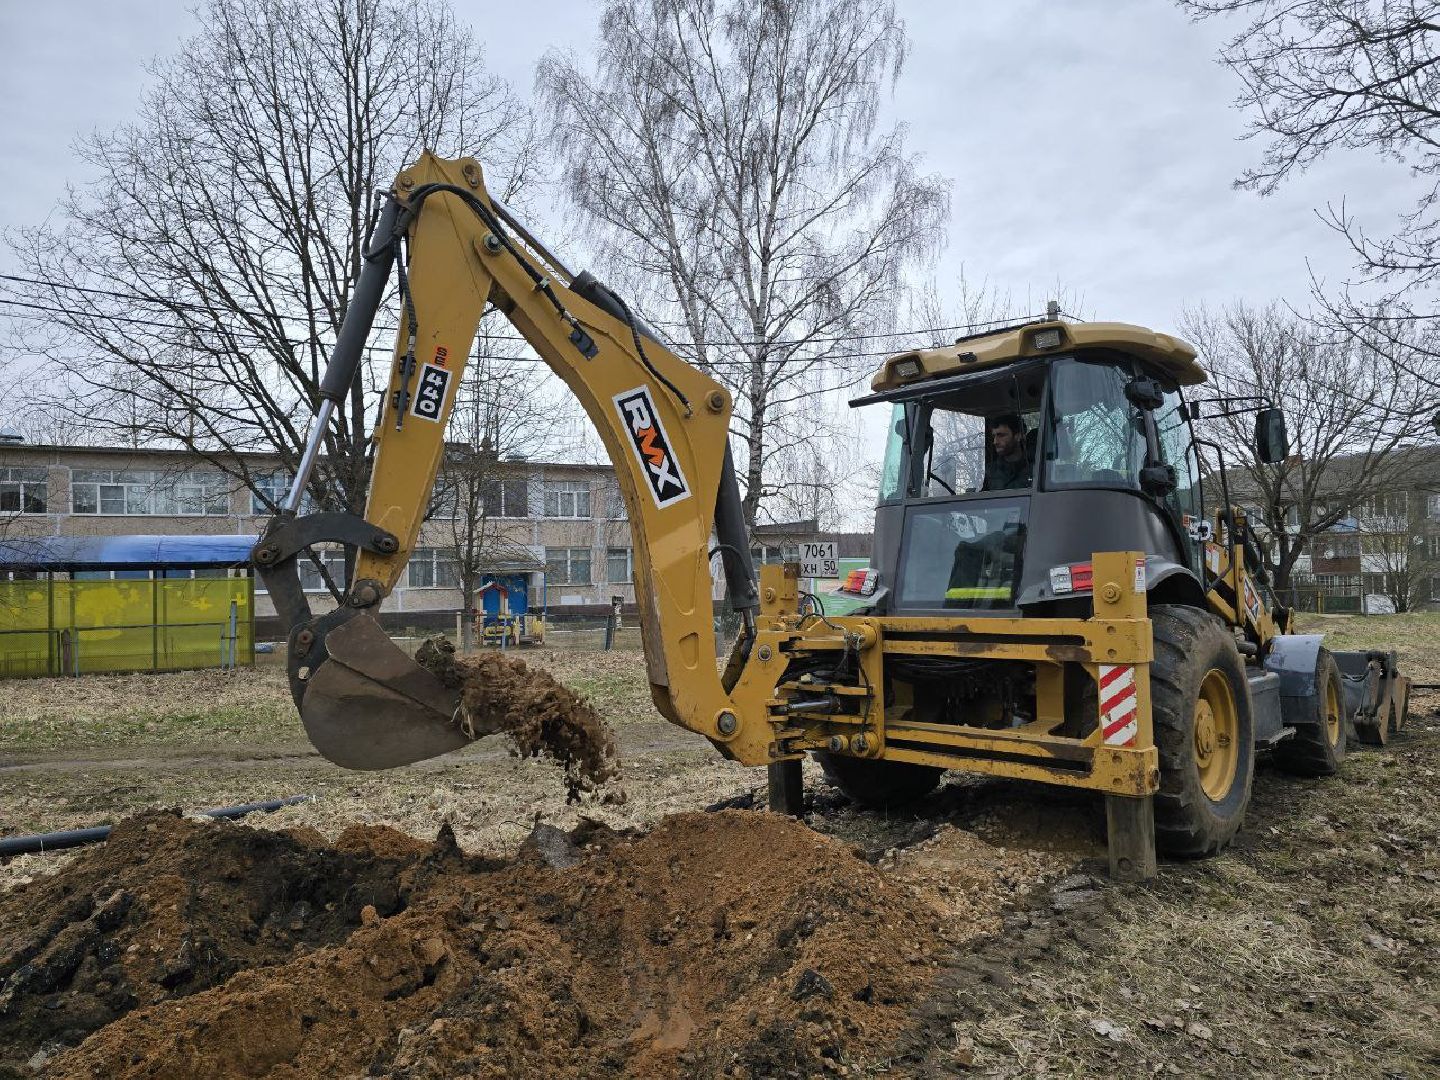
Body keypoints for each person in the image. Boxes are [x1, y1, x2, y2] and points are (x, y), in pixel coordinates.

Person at [982, 414, 1032, 491]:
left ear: (1018, 436)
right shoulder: (990, 471)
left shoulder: (1036, 468)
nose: (995, 442)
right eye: (994, 436)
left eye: (1001, 435)